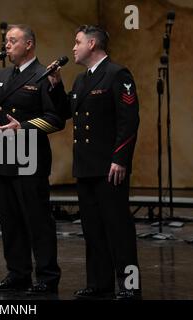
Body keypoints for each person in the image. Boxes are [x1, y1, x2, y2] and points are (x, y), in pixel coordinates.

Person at [49, 25, 141, 300]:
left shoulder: (117, 74)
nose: (73, 47)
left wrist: (120, 158)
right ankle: (99, 283)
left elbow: (129, 121)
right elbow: (65, 112)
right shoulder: (80, 80)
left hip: (109, 167)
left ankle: (130, 285)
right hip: (86, 167)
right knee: (93, 229)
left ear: (92, 44)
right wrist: (55, 84)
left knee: (118, 228)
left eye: (77, 42)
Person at [0, 24, 67, 294]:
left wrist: (23, 127)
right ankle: (17, 273)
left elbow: (56, 119)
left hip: (31, 158)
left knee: (37, 220)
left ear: (29, 45)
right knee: (11, 221)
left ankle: (48, 276)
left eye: (12, 41)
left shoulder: (43, 74)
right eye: (5, 41)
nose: (7, 46)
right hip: (4, 157)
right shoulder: (2, 74)